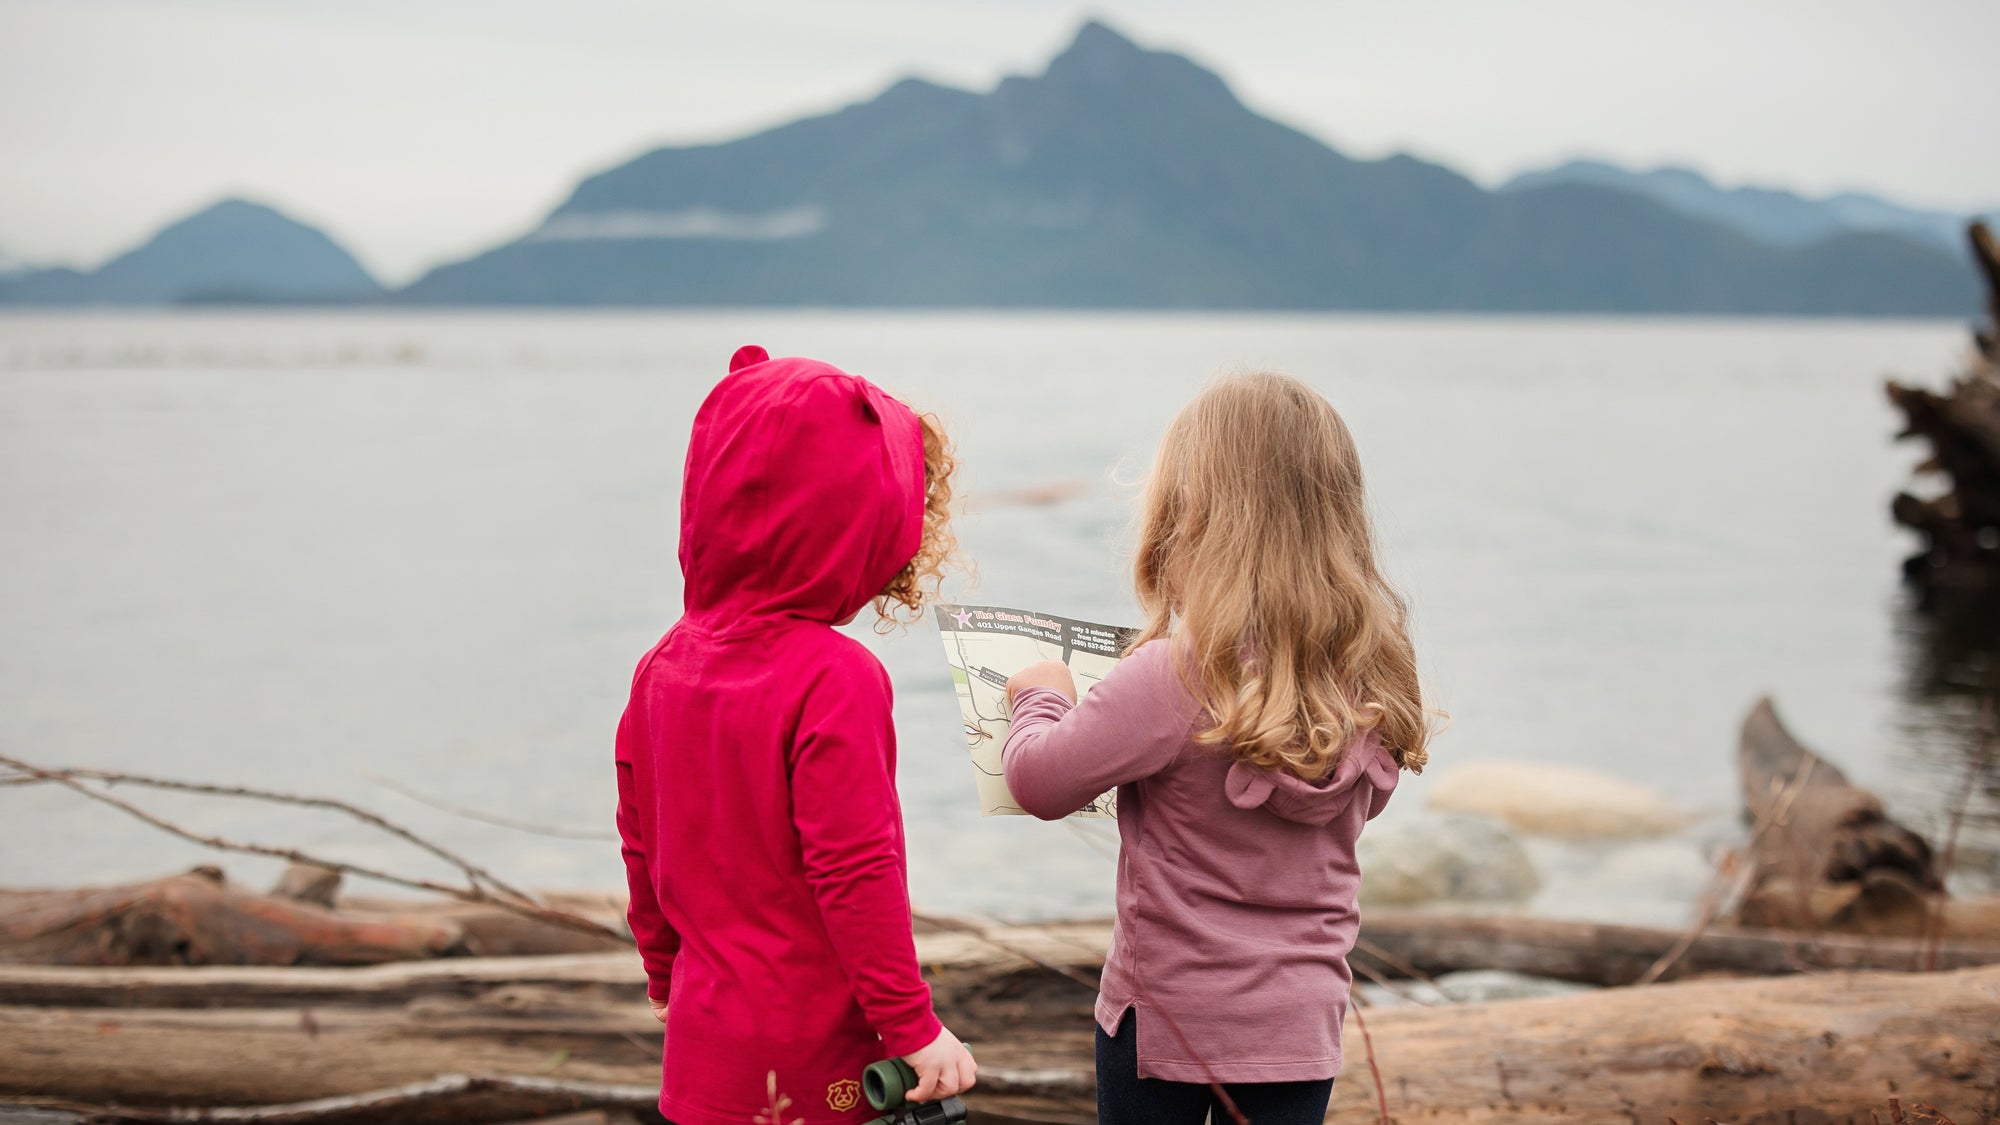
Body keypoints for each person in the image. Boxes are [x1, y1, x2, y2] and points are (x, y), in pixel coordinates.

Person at [1000, 371, 1432, 1125]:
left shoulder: (1175, 675)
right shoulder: (1370, 677)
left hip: (1166, 1021)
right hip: (1301, 1022)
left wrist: (1040, 695)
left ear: (1186, 516)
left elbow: (1037, 782)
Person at [616, 345, 977, 1125]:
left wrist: (661, 970)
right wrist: (912, 1027)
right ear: (863, 525)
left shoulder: (660, 667)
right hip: (815, 1067)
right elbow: (854, 870)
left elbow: (641, 842)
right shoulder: (834, 677)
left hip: (702, 1052)